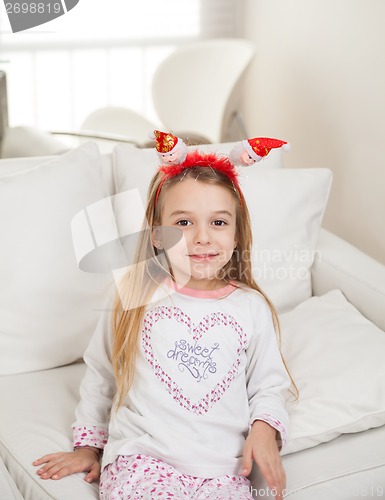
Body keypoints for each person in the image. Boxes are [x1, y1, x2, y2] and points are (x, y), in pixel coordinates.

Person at [33, 144, 293, 499]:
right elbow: (102, 372)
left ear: (235, 234)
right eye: (183, 222)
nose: (202, 237)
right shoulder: (135, 296)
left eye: (218, 222)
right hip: (142, 460)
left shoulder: (251, 308)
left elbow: (268, 386)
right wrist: (88, 447)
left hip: (225, 470)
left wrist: (264, 430)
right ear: (157, 235)